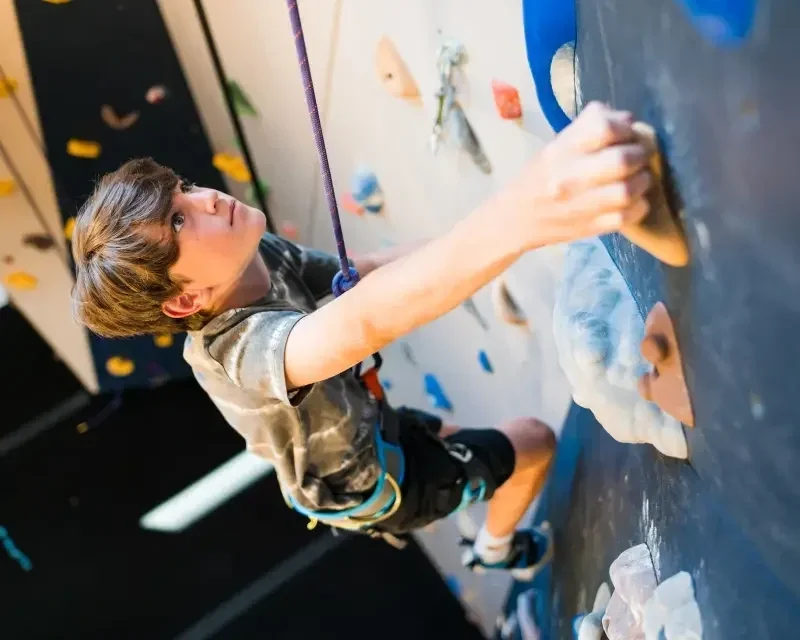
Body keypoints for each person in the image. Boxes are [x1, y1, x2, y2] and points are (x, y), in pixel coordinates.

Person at [71, 102, 653, 580]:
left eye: (184, 190)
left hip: (369, 423)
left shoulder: (256, 255)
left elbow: (364, 275)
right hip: (371, 484)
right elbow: (360, 322)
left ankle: (469, 500)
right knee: (533, 442)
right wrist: (526, 214)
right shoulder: (238, 353)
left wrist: (503, 234)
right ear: (184, 301)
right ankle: (496, 550)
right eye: (179, 222)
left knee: (444, 440)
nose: (206, 200)